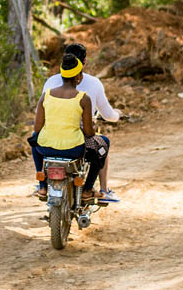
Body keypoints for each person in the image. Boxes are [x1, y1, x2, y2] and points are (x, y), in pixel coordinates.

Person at [39, 43, 121, 202]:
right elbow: (103, 119)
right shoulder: (89, 89)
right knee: (103, 145)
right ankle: (94, 189)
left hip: (49, 138)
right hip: (77, 141)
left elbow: (40, 117)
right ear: (84, 63)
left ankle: (42, 185)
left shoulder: (49, 85)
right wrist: (117, 115)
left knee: (36, 140)